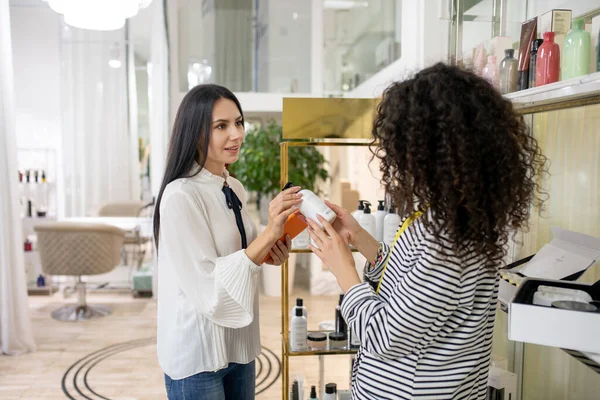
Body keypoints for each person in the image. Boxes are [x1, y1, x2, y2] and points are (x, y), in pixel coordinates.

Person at [306, 63, 546, 399]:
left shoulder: (449, 239)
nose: (396, 159)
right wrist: (360, 239)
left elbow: (384, 336)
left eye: (402, 145)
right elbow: (410, 285)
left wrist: (343, 269)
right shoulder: (452, 218)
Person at [154, 84, 302, 400]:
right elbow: (208, 281)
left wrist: (271, 250)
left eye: (238, 122)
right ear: (194, 134)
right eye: (221, 126)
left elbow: (240, 255)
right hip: (198, 354)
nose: (236, 134)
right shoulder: (181, 195)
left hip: (239, 346)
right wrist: (268, 234)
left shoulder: (233, 185)